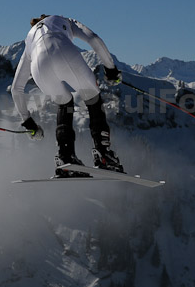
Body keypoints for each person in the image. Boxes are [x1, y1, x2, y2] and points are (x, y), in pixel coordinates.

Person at [11, 14, 123, 177]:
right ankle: (103, 154)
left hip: (39, 68)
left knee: (64, 103)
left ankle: (65, 157)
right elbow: (94, 39)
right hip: (64, 53)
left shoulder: (30, 39)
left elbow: (16, 88)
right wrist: (111, 69)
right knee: (92, 98)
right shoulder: (64, 20)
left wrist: (28, 123)